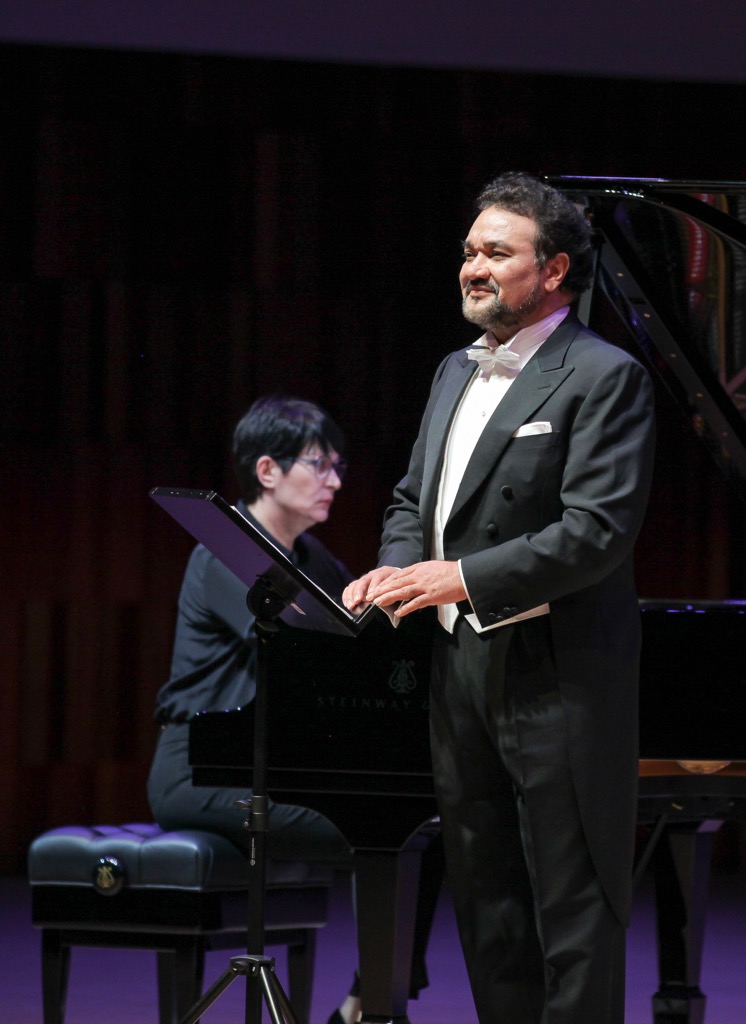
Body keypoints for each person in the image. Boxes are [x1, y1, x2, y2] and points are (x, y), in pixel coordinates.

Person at [343, 172, 656, 1024]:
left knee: (570, 913)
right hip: (460, 667)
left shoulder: (605, 376)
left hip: (557, 675)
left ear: (553, 270)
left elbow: (597, 532)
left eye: (495, 252)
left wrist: (463, 577)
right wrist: (398, 570)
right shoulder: (454, 370)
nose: (472, 268)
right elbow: (413, 500)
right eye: (469, 251)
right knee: (488, 909)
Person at [147, 394, 441, 1024]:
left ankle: (370, 1002)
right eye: (319, 464)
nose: (335, 480)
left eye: (339, 466)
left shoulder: (314, 560)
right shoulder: (224, 553)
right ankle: (374, 1008)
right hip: (199, 771)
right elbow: (310, 657)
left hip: (269, 766)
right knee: (393, 833)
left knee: (425, 827)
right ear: (267, 471)